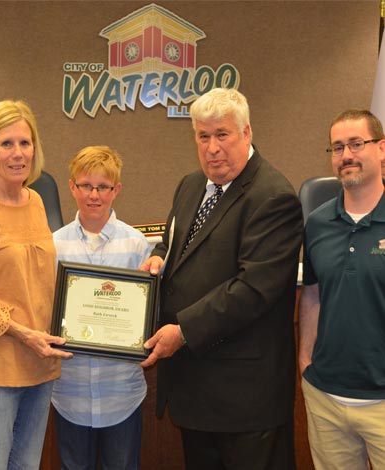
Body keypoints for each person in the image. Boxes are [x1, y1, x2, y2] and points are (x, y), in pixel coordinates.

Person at [139, 88, 303, 470]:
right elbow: (174, 242)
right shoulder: (191, 185)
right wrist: (158, 258)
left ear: (246, 133)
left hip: (245, 399)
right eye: (203, 136)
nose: (212, 147)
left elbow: (252, 289)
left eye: (222, 135)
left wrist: (182, 330)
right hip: (196, 390)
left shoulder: (273, 196)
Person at [0, 100, 71, 470]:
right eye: (7, 144)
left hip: (39, 365)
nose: (18, 153)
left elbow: (39, 280)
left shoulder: (38, 201)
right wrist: (21, 332)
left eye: (25, 143)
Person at [51, 145, 151, 470]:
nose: (94, 195)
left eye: (103, 187)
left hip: (121, 393)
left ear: (116, 190)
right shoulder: (53, 245)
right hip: (69, 392)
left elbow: (147, 315)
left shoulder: (137, 246)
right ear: (72, 187)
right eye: (85, 186)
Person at [299, 109, 385, 469]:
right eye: (337, 147)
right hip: (326, 399)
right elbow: (313, 295)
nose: (346, 155)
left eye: (356, 144)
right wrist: (305, 362)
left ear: (381, 149)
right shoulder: (317, 223)